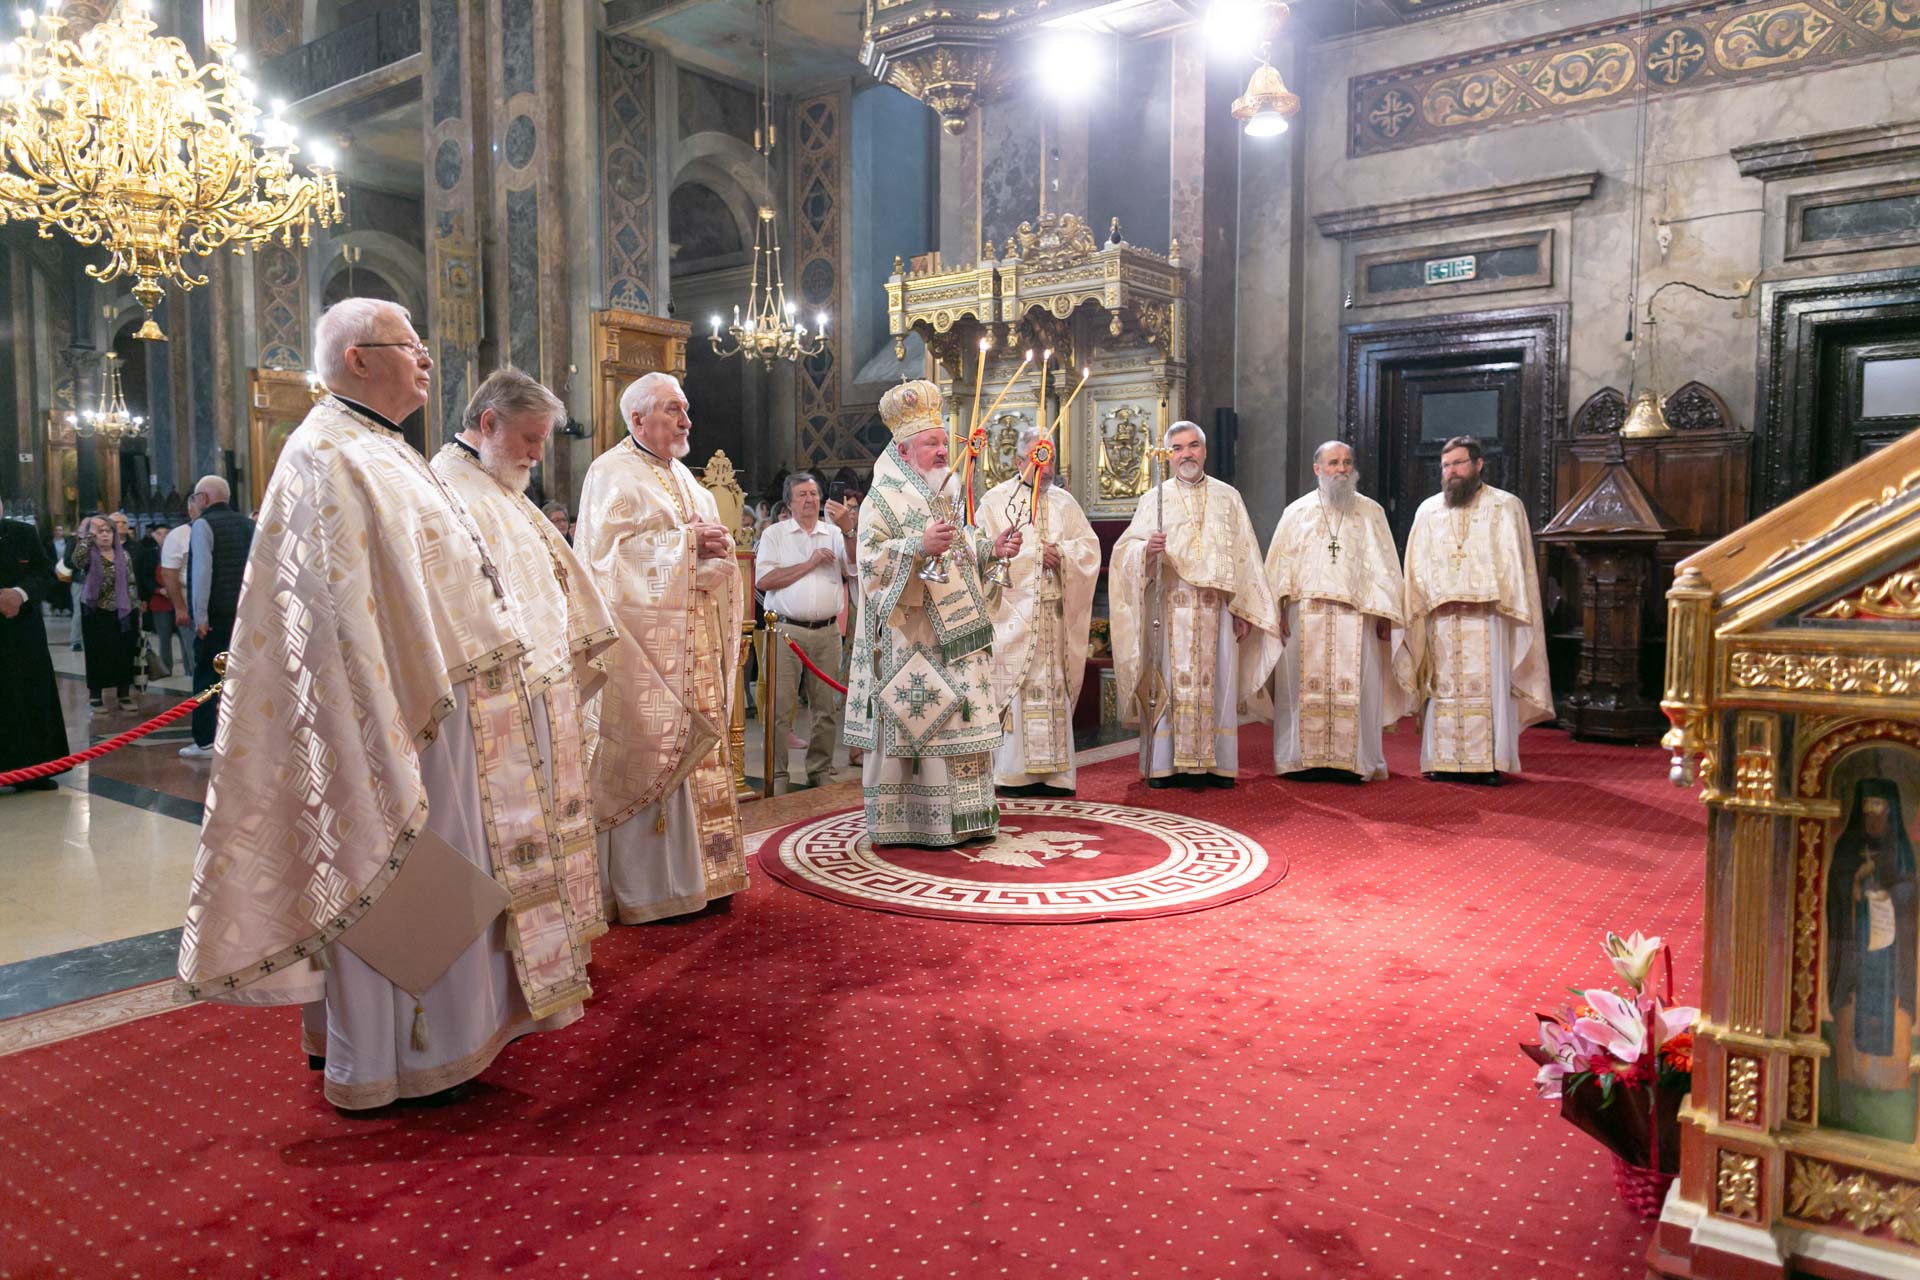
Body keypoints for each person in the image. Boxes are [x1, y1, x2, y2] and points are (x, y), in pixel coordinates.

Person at [178, 297, 590, 1111]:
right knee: (393, 868)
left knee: (450, 872)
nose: (426, 361)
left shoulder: (385, 449)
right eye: (411, 347)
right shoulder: (327, 454)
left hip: (446, 710)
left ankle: (451, 1037)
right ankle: (392, 1060)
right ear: (359, 358)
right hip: (393, 719)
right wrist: (383, 719)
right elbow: (332, 615)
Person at [431, 367, 623, 998]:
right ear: (488, 424)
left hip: (541, 689)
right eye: (531, 438)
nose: (539, 455)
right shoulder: (449, 491)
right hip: (497, 704)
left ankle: (550, 951)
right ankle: (504, 979)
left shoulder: (499, 488)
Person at [575, 371, 749, 922]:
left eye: (686, 409)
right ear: (637, 418)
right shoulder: (611, 473)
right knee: (651, 749)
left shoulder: (689, 480)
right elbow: (604, 563)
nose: (686, 421)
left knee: (700, 753)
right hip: (644, 654)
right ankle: (651, 891)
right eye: (674, 410)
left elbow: (707, 555)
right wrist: (683, 545)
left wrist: (711, 551)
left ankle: (705, 876)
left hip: (693, 639)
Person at [843, 379, 1022, 846]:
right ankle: (916, 822)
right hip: (913, 638)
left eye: (944, 441)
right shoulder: (881, 500)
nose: (943, 450)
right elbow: (868, 562)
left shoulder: (944, 495)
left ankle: (968, 818)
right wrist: (916, 547)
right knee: (924, 723)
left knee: (959, 721)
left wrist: (992, 550)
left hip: (960, 637)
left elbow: (962, 548)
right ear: (904, 452)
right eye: (931, 443)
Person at [1111, 421, 1280, 789]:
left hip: (1215, 609)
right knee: (1170, 683)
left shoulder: (1228, 496)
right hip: (1170, 606)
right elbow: (1125, 552)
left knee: (1217, 682)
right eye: (1177, 448)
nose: (1186, 454)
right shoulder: (1153, 499)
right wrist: (1146, 551)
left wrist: (1243, 608)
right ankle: (1163, 765)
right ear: (1169, 455)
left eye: (1192, 446)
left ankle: (1216, 764)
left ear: (1204, 451)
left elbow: (1245, 557)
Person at [1402, 436, 1551, 783]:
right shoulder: (1428, 510)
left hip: (1488, 618)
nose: (1452, 472)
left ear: (1478, 464)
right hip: (1442, 618)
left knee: (1489, 690)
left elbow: (1516, 565)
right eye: (1446, 466)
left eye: (1459, 463)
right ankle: (1442, 761)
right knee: (1443, 690)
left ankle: (1488, 763)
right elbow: (1416, 563)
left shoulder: (1505, 506)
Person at [1264, 441, 1414, 782]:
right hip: (1306, 617)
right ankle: (1300, 760)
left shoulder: (1371, 512)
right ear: (1318, 469)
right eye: (1333, 463)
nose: (1342, 469)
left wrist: (1387, 617)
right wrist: (1278, 612)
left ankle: (1353, 762)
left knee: (1356, 690)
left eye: (1347, 462)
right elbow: (1277, 567)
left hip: (1357, 618)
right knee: (1302, 690)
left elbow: (1386, 569)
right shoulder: (1296, 513)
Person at [977, 424, 1100, 796]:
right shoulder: (995, 501)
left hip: (1054, 616)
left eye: (1050, 459)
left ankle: (1056, 774)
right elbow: (981, 552)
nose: (1045, 469)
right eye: (1037, 458)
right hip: (1012, 617)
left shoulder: (1066, 503)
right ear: (1018, 460)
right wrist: (1032, 555)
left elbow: (1090, 550)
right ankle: (1013, 772)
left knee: (1053, 689)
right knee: (1017, 691)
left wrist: (1060, 554)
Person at [753, 472, 857, 791]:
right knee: (780, 708)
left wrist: (849, 531)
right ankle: (779, 775)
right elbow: (764, 581)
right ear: (789, 502)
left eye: (814, 493)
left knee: (825, 709)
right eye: (802, 494)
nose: (810, 499)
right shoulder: (775, 535)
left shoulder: (834, 534)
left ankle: (820, 770)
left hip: (826, 633)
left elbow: (854, 568)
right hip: (786, 632)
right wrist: (810, 563)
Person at [1827, 780, 1919, 1107]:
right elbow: (1835, 893)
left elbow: (1910, 895)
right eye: (1866, 808)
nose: (1871, 816)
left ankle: (1887, 1079)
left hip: (1890, 957)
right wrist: (1854, 882)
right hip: (1855, 948)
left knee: (1886, 1014)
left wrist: (1887, 895)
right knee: (1856, 1010)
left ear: (1891, 810)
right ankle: (1853, 1076)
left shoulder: (1902, 851)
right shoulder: (1848, 848)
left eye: (1878, 807)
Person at [178, 476, 254, 760]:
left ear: (204, 498)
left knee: (208, 676)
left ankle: (205, 741)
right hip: (244, 615)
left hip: (216, 616)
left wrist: (200, 616)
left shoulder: (203, 525)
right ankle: (245, 735)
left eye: (195, 496)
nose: (194, 502)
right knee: (243, 676)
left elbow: (202, 573)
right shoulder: (249, 524)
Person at [0, 499, 67, 791]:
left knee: (29, 695)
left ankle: (34, 769)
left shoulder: (22, 534)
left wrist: (20, 594)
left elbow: (44, 573)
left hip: (23, 634)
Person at [72, 514, 142, 712]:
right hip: (95, 611)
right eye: (100, 532)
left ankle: (124, 694)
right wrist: (88, 537)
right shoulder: (89, 554)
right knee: (98, 653)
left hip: (122, 611)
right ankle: (96, 695)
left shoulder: (124, 555)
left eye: (108, 531)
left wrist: (136, 609)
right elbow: (76, 561)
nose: (105, 535)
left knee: (123, 652)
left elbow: (131, 583)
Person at [158, 495, 201, 678]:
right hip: (188, 601)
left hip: (219, 604)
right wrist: (180, 608)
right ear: (191, 510)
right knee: (196, 657)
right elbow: (169, 574)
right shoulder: (179, 535)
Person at [134, 521, 173, 679]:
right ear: (154, 535)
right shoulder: (149, 553)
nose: (164, 537)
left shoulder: (178, 550)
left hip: (178, 600)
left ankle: (190, 668)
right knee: (164, 637)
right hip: (159, 600)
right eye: (160, 534)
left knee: (186, 637)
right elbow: (145, 577)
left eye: (167, 533)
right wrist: (158, 590)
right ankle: (166, 668)